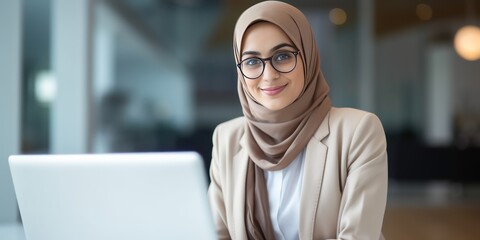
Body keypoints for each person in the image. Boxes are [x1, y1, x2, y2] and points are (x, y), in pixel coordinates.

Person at [208, 1, 388, 239]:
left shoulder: (358, 131)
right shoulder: (226, 138)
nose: (269, 75)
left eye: (282, 56)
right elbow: (216, 234)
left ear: (308, 56)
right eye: (252, 61)